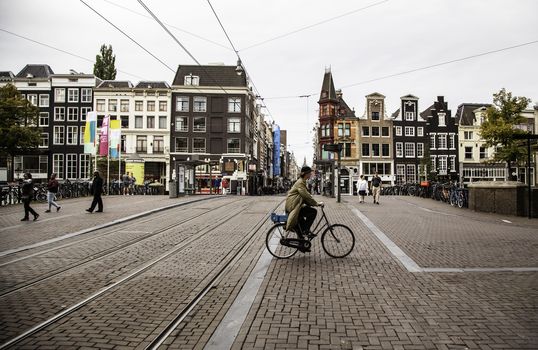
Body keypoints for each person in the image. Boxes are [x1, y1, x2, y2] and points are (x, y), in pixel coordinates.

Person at [285, 166, 324, 243]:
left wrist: (310, 203)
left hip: (295, 205)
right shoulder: (300, 182)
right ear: (306, 174)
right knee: (313, 212)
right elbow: (305, 195)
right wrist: (316, 204)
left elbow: (305, 196)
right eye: (309, 173)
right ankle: (306, 231)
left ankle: (301, 242)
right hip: (293, 206)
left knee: (301, 222)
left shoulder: (302, 181)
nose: (310, 174)